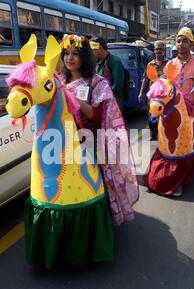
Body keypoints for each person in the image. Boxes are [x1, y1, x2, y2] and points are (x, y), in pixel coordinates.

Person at [61, 34, 139, 235]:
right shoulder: (59, 81)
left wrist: (73, 100)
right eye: (66, 53)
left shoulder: (97, 82)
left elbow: (98, 116)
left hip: (91, 144)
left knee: (94, 185)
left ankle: (97, 225)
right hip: (63, 144)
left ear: (85, 57)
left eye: (75, 54)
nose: (69, 58)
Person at [143, 27, 194, 197]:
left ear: (191, 44)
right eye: (179, 40)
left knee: (184, 144)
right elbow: (165, 84)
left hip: (191, 107)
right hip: (171, 108)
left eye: (185, 41)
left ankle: (179, 179)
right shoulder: (170, 64)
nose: (181, 44)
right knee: (166, 141)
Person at [138, 40, 168, 141]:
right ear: (154, 50)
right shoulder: (150, 65)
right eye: (156, 49)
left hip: (165, 96)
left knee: (165, 115)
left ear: (164, 50)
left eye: (160, 49)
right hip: (153, 96)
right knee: (152, 115)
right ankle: (154, 135)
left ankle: (165, 134)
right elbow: (145, 79)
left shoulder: (169, 64)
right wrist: (141, 93)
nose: (158, 51)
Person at [90, 36, 125, 111]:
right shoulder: (97, 63)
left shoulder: (115, 61)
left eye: (93, 49)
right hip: (100, 103)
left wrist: (103, 95)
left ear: (101, 48)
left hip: (113, 104)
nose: (91, 52)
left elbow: (118, 85)